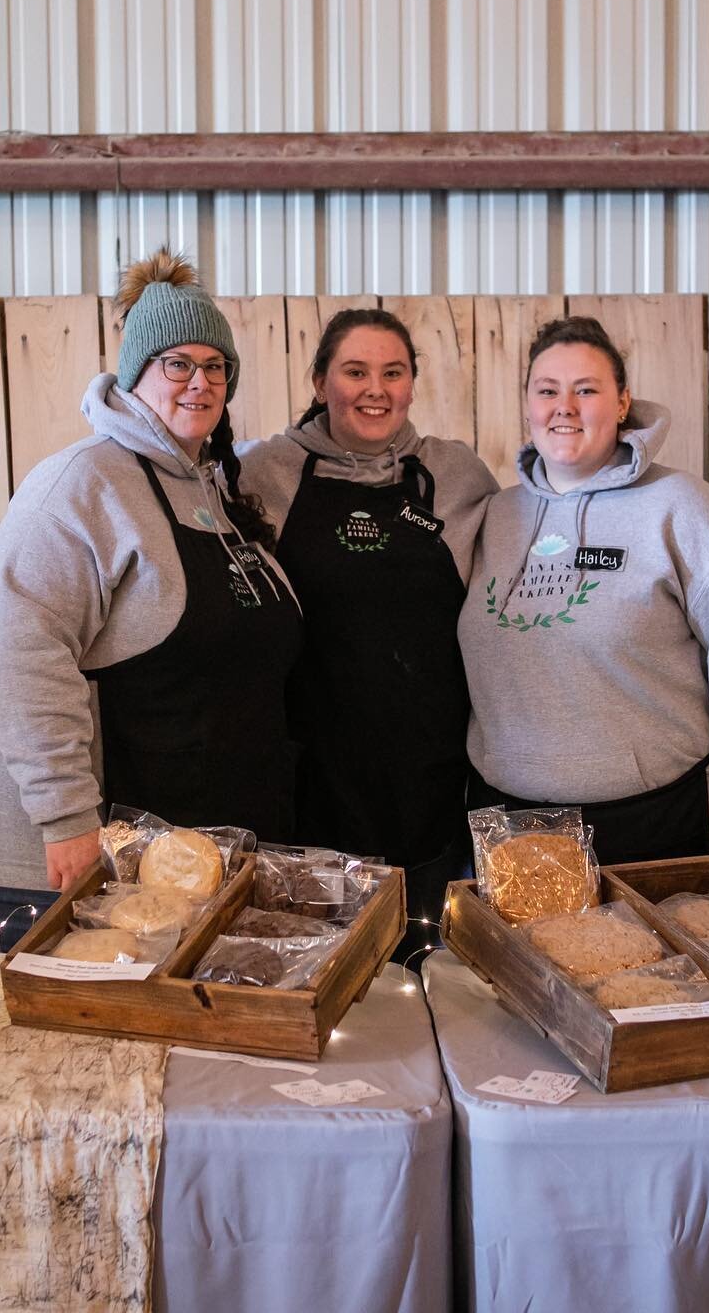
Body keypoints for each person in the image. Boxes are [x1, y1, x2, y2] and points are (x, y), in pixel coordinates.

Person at [0, 249, 301, 948]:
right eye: (177, 364)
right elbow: (21, 650)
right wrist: (67, 818)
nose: (199, 382)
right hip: (56, 849)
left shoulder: (209, 490)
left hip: (158, 852)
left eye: (215, 366)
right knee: (71, 1048)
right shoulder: (81, 484)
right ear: (135, 374)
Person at [458, 315, 709, 883]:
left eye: (585, 390)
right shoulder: (494, 516)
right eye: (548, 390)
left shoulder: (683, 507)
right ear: (528, 405)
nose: (564, 407)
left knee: (654, 974)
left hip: (650, 819)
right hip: (506, 820)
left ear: (622, 403)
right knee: (513, 973)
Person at [240, 308, 498, 960]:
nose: (375, 390)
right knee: (330, 984)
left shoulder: (456, 475)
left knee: (429, 979)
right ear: (322, 379)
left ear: (413, 383)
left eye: (393, 372)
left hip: (432, 784)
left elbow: (504, 598)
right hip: (314, 788)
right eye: (355, 371)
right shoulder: (264, 474)